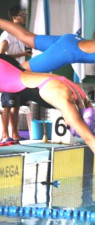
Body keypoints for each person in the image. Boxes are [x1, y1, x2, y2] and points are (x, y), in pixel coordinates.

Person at [0, 53, 95, 188]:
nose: (67, 123)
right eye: (70, 125)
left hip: (10, 68)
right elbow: (89, 138)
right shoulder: (64, 100)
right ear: (77, 116)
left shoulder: (83, 100)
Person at [0, 5, 32, 144]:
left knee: (16, 106)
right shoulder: (7, 35)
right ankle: (5, 135)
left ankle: (15, 134)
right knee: (7, 106)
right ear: (14, 18)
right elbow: (1, 54)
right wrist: (21, 54)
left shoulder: (20, 34)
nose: (24, 16)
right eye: (21, 15)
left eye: (24, 14)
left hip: (18, 75)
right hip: (7, 75)